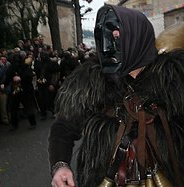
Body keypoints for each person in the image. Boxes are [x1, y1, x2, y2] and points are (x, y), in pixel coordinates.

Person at [48, 4, 184, 187]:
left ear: (136, 38)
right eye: (103, 38)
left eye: (116, 37)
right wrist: (60, 165)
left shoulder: (173, 78)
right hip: (103, 178)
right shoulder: (90, 80)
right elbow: (63, 127)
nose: (107, 47)